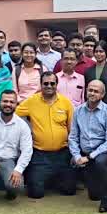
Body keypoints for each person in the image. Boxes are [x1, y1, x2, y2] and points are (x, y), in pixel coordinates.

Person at [16, 71, 76, 199]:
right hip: (40, 154)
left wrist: (74, 152)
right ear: (41, 85)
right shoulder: (32, 101)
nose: (49, 86)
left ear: (56, 85)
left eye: (52, 83)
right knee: (35, 193)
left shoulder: (66, 103)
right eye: (46, 83)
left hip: (62, 153)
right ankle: (45, 178)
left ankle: (53, 178)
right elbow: (13, 114)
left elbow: (72, 130)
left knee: (69, 190)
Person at [69, 80, 107, 212]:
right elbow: (73, 137)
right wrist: (77, 155)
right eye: (90, 90)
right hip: (84, 153)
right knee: (93, 195)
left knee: (101, 163)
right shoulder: (78, 111)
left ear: (102, 94)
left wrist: (90, 157)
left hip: (103, 152)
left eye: (96, 91)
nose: (92, 93)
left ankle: (106, 201)